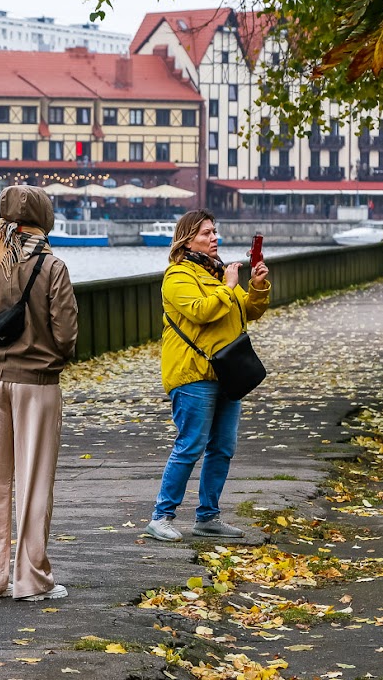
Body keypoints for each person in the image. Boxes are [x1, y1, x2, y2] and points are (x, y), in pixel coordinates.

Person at [0, 185, 79, 602]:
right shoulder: (52, 266)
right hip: (37, 384)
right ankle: (31, 581)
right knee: (33, 482)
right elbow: (66, 335)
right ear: (45, 218)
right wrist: (45, 354)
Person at [144, 209, 271, 543]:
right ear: (187, 239)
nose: (214, 238)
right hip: (193, 373)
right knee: (191, 445)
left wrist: (256, 287)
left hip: (225, 372)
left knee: (223, 447)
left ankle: (208, 517)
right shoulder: (178, 276)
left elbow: (247, 309)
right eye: (206, 233)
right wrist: (229, 286)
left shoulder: (214, 274)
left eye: (215, 232)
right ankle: (162, 516)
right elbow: (201, 311)